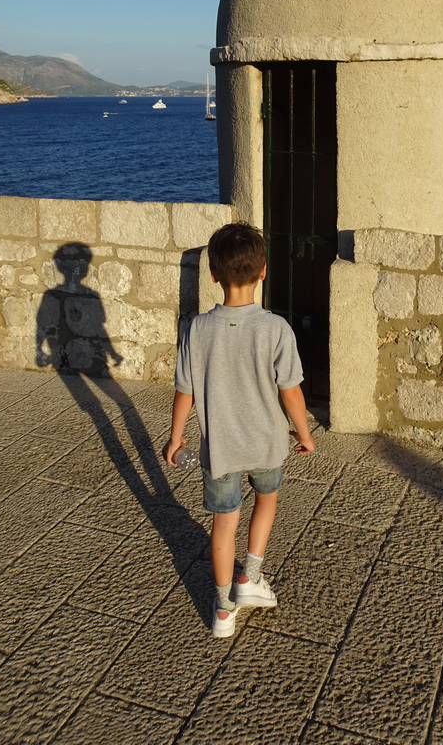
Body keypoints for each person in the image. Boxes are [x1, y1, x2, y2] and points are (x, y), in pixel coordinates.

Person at [164, 222, 315, 638]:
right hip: (267, 443)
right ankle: (250, 578)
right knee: (267, 501)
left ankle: (224, 610)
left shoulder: (197, 330)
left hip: (220, 450)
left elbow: (184, 392)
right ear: (263, 271)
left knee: (223, 523)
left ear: (213, 275)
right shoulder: (276, 329)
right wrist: (303, 434)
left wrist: (176, 438)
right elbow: (292, 394)